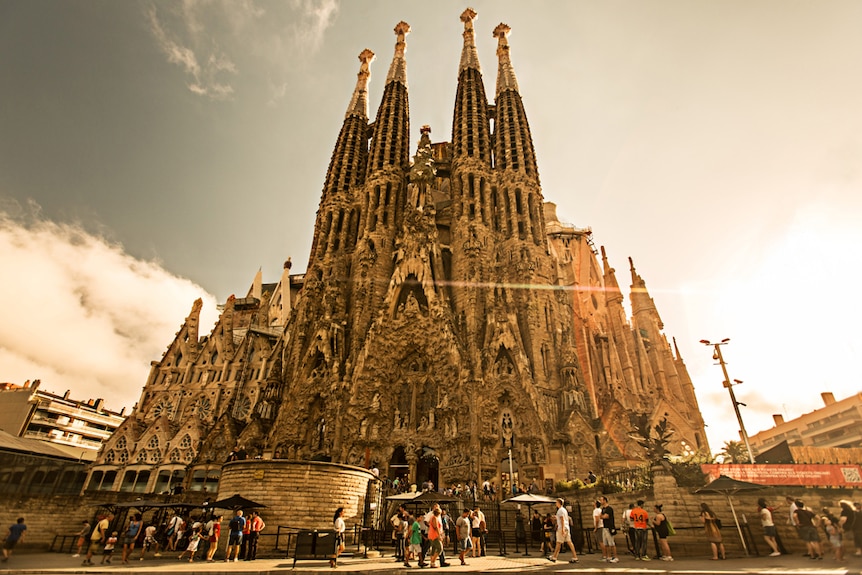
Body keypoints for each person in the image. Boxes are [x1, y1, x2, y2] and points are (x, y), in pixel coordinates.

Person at [548, 498, 578, 563]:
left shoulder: (560, 510)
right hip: (567, 527)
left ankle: (554, 557)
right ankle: (575, 556)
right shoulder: (564, 510)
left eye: (556, 502)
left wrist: (562, 529)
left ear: (559, 503)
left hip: (562, 527)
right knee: (569, 542)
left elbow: (562, 519)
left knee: (558, 542)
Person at [600, 496, 619, 563]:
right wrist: (602, 516)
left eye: (601, 500)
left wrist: (602, 516)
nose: (600, 501)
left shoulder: (609, 508)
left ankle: (616, 557)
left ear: (605, 500)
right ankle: (609, 556)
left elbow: (606, 516)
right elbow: (601, 516)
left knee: (611, 543)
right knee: (606, 543)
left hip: (609, 527)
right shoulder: (603, 509)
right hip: (604, 527)